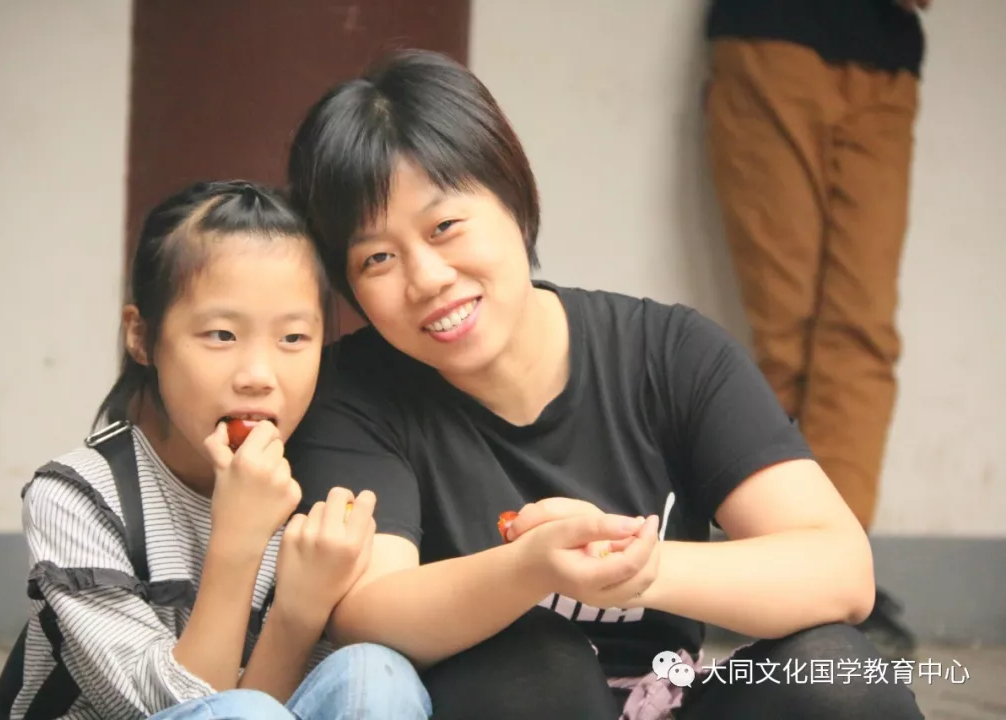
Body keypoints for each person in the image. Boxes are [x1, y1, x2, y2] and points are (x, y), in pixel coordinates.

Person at [284, 50, 925, 719]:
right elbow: (368, 610)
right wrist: (530, 568)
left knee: (840, 679)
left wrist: (636, 567)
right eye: (378, 258)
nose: (426, 279)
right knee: (535, 667)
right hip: (513, 703)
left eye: (444, 227)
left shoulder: (669, 353)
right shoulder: (353, 394)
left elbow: (839, 568)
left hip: (670, 698)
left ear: (512, 196)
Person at [0, 181, 432, 719]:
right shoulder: (80, 497)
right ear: (141, 336)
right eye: (222, 335)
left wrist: (296, 615)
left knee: (375, 673)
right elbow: (188, 708)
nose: (258, 376)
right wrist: (238, 540)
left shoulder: (323, 495)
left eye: (293, 338)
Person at [703, 0, 929, 659]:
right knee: (788, 332)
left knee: (864, 330)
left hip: (888, 53)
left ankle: (835, 569)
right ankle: (775, 565)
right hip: (776, 30)